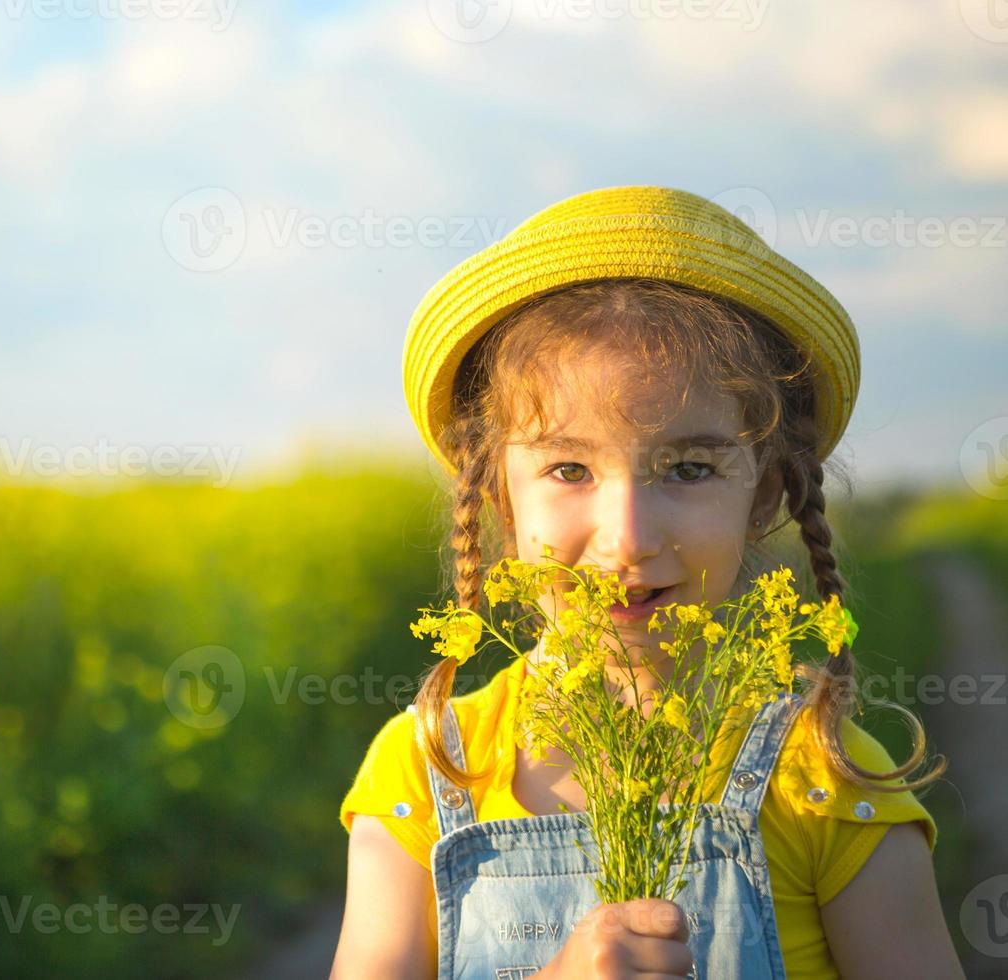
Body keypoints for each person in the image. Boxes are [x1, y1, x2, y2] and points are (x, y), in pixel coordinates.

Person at [329, 186, 963, 979]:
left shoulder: (824, 781)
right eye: (569, 468)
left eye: (690, 468)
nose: (627, 538)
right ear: (500, 496)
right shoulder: (428, 772)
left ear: (763, 496)